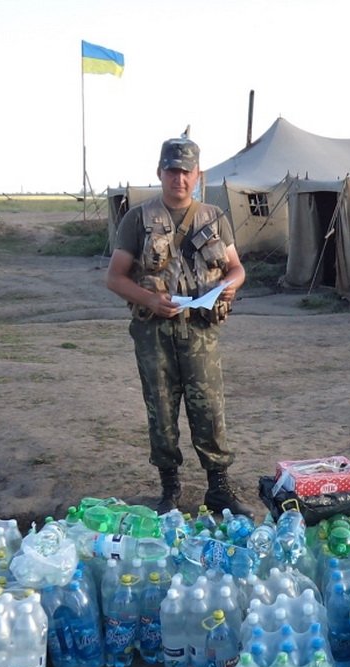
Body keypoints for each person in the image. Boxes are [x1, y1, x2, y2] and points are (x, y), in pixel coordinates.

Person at [105, 136, 254, 519]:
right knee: (161, 408)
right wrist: (150, 299)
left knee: (209, 409)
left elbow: (237, 268)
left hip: (201, 332)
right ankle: (169, 489)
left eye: (187, 172)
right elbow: (115, 277)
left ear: (198, 175)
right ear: (160, 172)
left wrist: (228, 285)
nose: (180, 178)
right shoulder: (137, 219)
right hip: (155, 332)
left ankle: (218, 488)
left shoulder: (214, 218)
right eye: (172, 170)